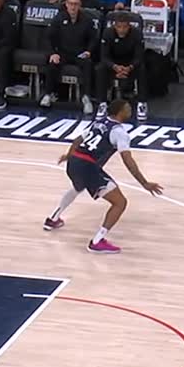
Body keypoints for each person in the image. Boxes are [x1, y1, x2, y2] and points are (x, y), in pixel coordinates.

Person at [43, 98, 163, 252]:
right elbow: (128, 160)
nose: (130, 110)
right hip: (87, 167)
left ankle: (53, 219)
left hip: (74, 162)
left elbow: (78, 140)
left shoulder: (99, 123)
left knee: (78, 187)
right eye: (127, 108)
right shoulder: (120, 133)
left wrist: (69, 155)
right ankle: (97, 241)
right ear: (120, 112)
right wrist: (144, 183)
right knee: (120, 203)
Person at [42, 0, 97, 113]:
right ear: (66, 4)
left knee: (88, 64)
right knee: (52, 63)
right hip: (63, 53)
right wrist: (53, 53)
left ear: (80, 5)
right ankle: (48, 94)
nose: (73, 7)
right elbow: (47, 37)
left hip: (80, 53)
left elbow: (94, 39)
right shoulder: (58, 18)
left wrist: (88, 51)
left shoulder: (87, 20)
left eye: (76, 4)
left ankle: (86, 98)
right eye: (71, 4)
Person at [99, 12, 149, 120]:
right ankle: (102, 103)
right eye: (119, 27)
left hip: (130, 65)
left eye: (124, 27)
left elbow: (139, 56)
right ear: (115, 26)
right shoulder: (107, 33)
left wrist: (130, 67)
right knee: (101, 68)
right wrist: (115, 67)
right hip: (114, 64)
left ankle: (142, 103)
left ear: (129, 26)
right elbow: (104, 56)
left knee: (142, 69)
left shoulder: (137, 34)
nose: (122, 30)